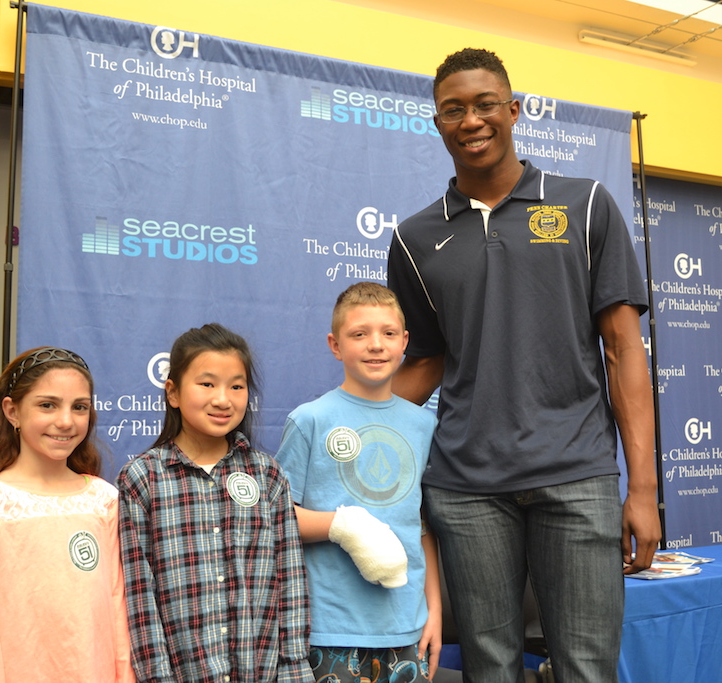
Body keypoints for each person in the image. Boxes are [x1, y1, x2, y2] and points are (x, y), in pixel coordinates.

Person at [386, 48, 661, 683]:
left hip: (577, 475)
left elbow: (623, 352)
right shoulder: (414, 237)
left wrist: (642, 491)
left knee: (587, 669)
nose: (471, 120)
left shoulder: (585, 205)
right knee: (490, 670)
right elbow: (426, 360)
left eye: (485, 104)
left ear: (513, 111)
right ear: (437, 123)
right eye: (453, 109)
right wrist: (342, 419)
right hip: (465, 488)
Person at [117, 323, 314, 683]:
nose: (223, 399)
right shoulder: (143, 478)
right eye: (207, 384)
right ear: (173, 393)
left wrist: (294, 672)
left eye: (236, 386)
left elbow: (290, 583)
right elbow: (139, 595)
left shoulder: (267, 476)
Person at [276, 282, 442, 682]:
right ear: (335, 345)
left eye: (388, 333)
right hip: (330, 629)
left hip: (407, 628)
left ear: (405, 342)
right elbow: (276, 518)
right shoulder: (310, 420)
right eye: (359, 334)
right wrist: (341, 526)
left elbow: (420, 524)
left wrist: (433, 609)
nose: (375, 345)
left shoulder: (424, 425)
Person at [0, 347, 134, 682]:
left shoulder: (104, 500)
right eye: (47, 405)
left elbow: (118, 610)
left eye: (79, 407)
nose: (65, 421)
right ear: (13, 412)